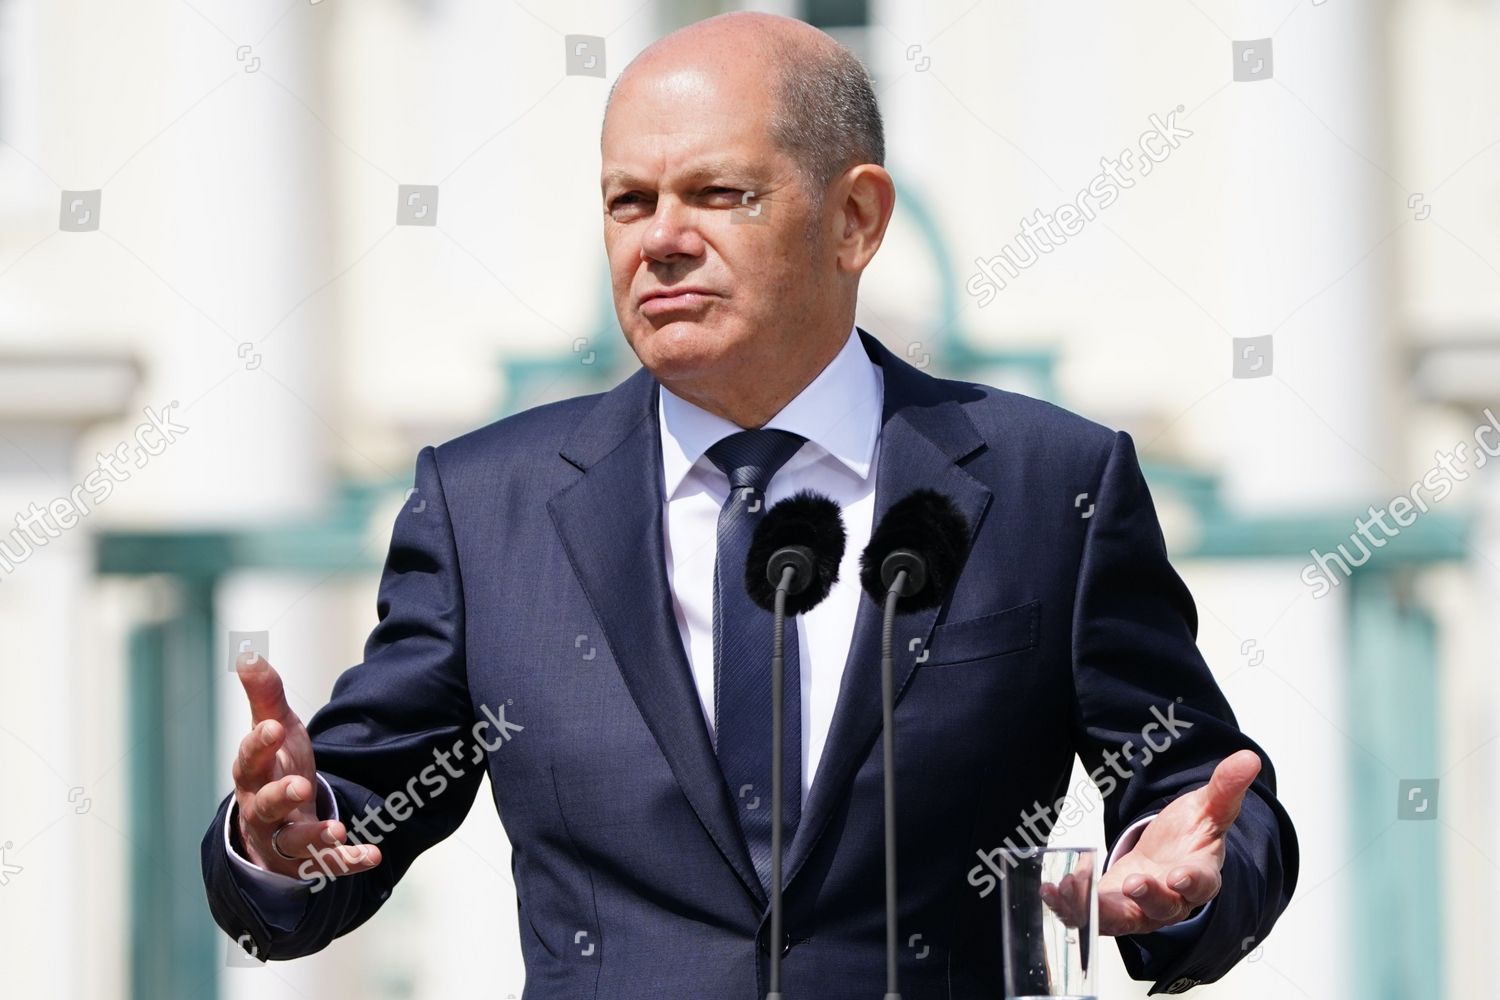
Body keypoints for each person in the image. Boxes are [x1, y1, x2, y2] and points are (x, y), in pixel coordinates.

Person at [201, 12, 1296, 997]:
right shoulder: (488, 504)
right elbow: (346, 814)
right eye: (629, 200)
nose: (660, 237)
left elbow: (1202, 789)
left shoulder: (1048, 480)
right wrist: (285, 839)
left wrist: (1178, 873)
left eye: (718, 194)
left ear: (855, 219)